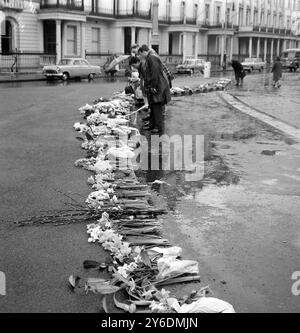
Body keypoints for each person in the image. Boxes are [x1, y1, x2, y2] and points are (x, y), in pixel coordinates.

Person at [137, 45, 171, 134]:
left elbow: (155, 73)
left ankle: (158, 127)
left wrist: (153, 87)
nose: (140, 57)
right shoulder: (150, 57)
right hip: (157, 85)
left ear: (143, 52)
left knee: (157, 107)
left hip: (158, 86)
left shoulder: (152, 57)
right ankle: (152, 125)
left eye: (140, 54)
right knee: (153, 106)